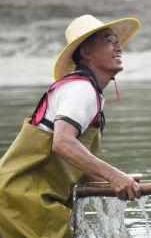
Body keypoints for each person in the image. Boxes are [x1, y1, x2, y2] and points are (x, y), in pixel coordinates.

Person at [0, 14, 142, 238]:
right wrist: (113, 175)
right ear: (85, 52)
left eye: (117, 41)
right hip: (22, 201)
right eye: (108, 41)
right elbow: (62, 143)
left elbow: (73, 166)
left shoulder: (85, 90)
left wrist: (115, 179)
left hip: (23, 198)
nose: (119, 47)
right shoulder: (81, 89)